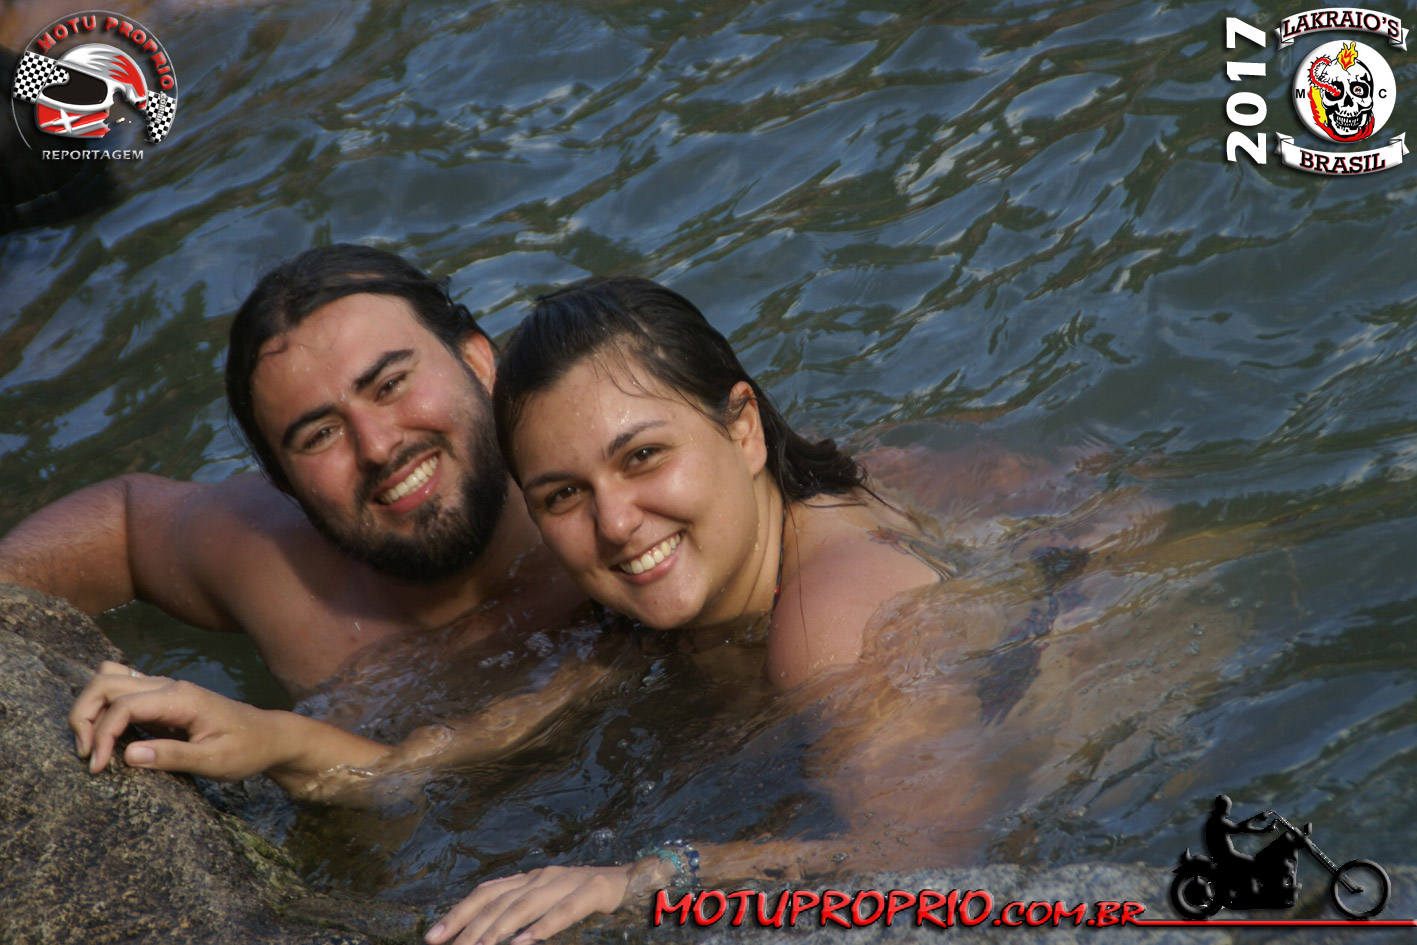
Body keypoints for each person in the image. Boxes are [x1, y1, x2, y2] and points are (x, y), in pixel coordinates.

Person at [425, 276, 947, 945]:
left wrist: (646, 879)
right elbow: (475, 737)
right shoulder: (661, 602)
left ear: (744, 429)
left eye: (642, 456)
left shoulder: (833, 625)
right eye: (564, 495)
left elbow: (925, 863)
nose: (614, 523)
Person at [1, 244, 584, 694]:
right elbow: (126, 524)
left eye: (389, 385)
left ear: (478, 362)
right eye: (320, 434)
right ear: (284, 484)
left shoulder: (603, 505)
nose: (377, 447)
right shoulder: (277, 572)